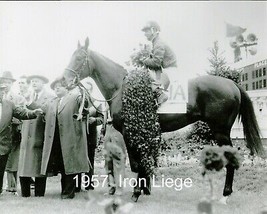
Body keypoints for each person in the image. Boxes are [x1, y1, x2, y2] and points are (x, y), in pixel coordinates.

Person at [41, 77, 91, 199]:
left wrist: (84, 92)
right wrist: (28, 101)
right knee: (63, 166)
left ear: (66, 88)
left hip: (71, 139)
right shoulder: (53, 102)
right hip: (56, 140)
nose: (57, 88)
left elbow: (84, 104)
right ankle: (65, 191)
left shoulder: (75, 98)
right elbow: (40, 109)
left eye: (60, 86)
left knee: (70, 166)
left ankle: (68, 193)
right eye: (55, 87)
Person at [0, 84, 43, 196]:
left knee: (0, 171)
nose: (0, 93)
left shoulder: (8, 105)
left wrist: (33, 113)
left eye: (1, 91)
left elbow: (21, 113)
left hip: (3, 146)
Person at [18, 75, 55, 197]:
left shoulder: (50, 97)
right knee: (24, 165)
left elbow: (45, 111)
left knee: (39, 166)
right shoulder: (28, 96)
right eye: (32, 81)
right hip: (26, 134)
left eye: (37, 81)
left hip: (39, 135)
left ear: (43, 83)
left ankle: (39, 194)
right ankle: (25, 194)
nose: (34, 83)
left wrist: (30, 102)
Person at [0, 71, 26, 195]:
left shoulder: (18, 98)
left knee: (12, 162)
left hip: (14, 134)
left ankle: (12, 187)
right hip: (3, 133)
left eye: (8, 82)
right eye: (4, 82)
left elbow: (20, 114)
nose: (6, 85)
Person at [75, 80, 104, 191]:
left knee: (90, 160)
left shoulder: (96, 103)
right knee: (77, 159)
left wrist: (94, 120)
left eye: (86, 89)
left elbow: (102, 119)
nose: (84, 91)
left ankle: (89, 185)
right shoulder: (76, 101)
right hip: (77, 135)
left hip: (90, 134)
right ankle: (77, 186)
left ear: (91, 90)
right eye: (82, 89)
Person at [141, 21, 178, 105]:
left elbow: (156, 62)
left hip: (169, 71)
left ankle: (160, 95)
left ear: (153, 30)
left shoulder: (159, 43)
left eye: (147, 31)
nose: (145, 34)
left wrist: (145, 61)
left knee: (144, 80)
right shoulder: (156, 42)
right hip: (165, 70)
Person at [103, 120, 126, 196]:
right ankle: (112, 186)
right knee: (108, 159)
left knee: (118, 159)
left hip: (117, 127)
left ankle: (119, 188)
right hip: (108, 127)